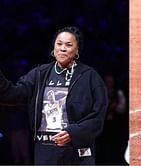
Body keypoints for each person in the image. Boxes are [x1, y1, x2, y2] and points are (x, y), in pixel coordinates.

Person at [0, 26, 108, 165]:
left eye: (68, 45)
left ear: (77, 50)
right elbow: (11, 94)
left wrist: (73, 133)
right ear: (54, 47)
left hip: (75, 153)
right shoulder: (39, 74)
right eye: (59, 44)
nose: (63, 48)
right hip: (45, 152)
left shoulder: (90, 77)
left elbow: (98, 115)